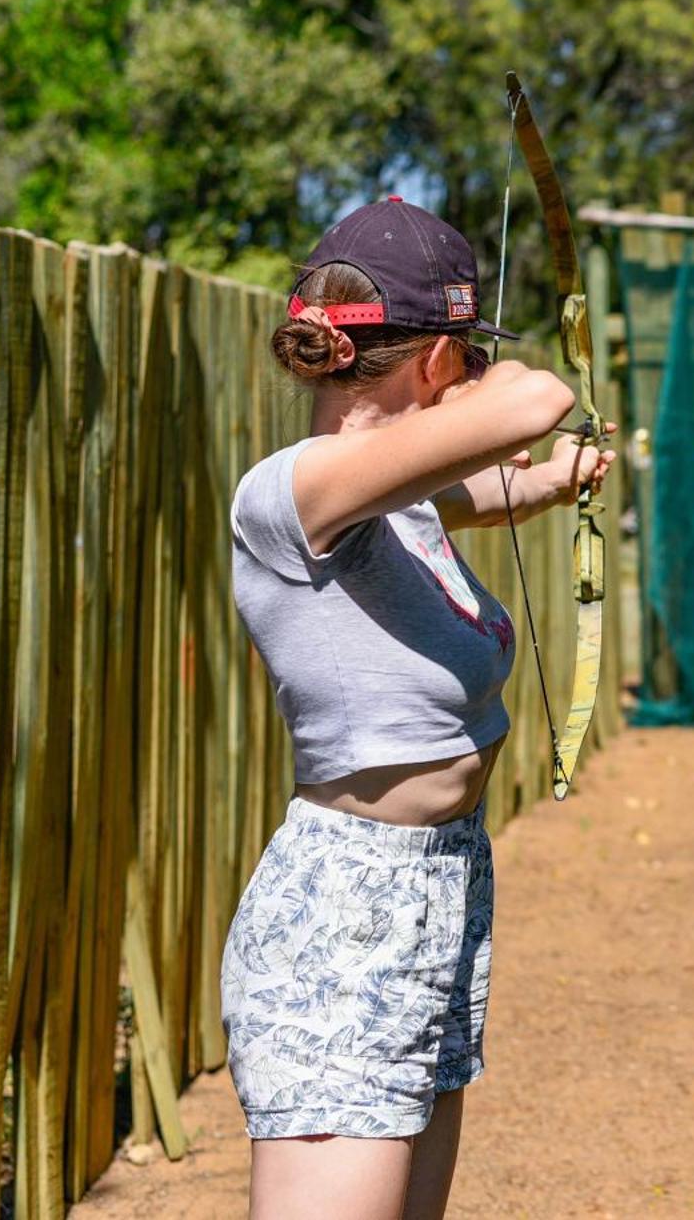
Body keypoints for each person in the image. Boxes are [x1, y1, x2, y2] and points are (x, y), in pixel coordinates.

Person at [220, 196, 612, 1219]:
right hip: (346, 916)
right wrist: (524, 394)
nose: (481, 370)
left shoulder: (381, 501)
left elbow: (464, 492)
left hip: (441, 886)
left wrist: (556, 478)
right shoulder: (289, 494)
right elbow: (528, 401)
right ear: (436, 363)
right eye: (465, 351)